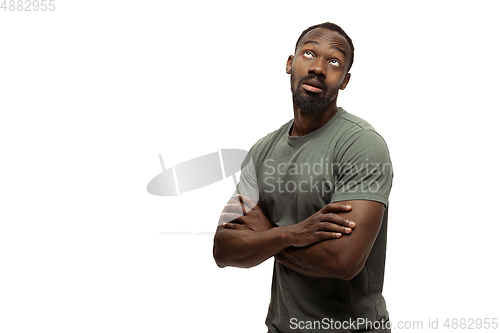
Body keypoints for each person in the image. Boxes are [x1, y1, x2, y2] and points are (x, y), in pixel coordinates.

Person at [213, 22, 393, 333]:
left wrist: (265, 235)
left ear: (345, 80)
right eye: (309, 53)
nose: (319, 68)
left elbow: (343, 261)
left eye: (334, 61)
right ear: (290, 63)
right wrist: (290, 234)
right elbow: (224, 249)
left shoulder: (360, 144)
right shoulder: (262, 150)